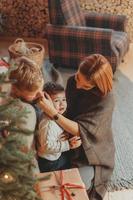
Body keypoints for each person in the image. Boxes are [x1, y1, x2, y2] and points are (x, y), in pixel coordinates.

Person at [37, 54, 115, 200]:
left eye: (85, 85)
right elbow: (67, 110)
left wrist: (52, 112)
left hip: (93, 146)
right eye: (79, 77)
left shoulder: (107, 100)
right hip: (69, 137)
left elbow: (82, 130)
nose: (78, 85)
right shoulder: (73, 81)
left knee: (78, 186)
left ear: (98, 85)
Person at [36, 82, 81, 172]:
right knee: (68, 162)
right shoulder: (48, 124)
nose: (62, 104)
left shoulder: (57, 116)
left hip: (54, 155)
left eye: (64, 100)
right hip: (49, 162)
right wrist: (68, 145)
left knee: (69, 157)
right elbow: (47, 146)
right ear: (47, 103)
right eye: (56, 101)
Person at [9, 56, 44, 150]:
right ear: (15, 90)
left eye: (41, 89)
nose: (41, 94)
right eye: (34, 94)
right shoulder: (26, 111)